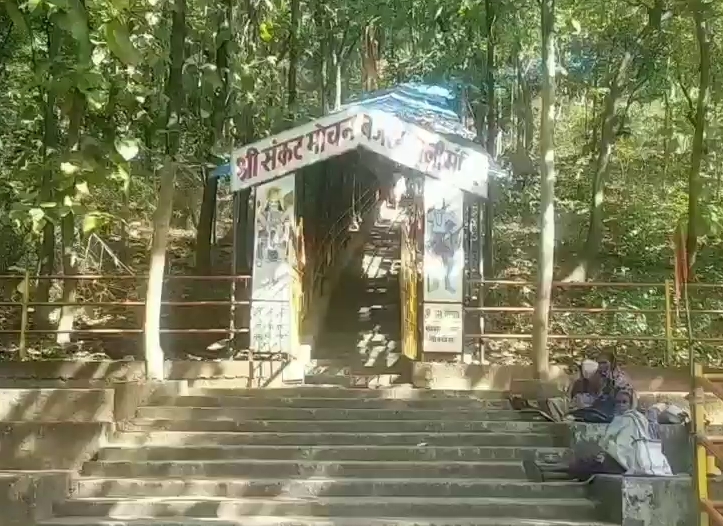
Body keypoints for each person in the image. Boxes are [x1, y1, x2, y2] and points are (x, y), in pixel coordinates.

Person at [523, 389, 672, 482]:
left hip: (626, 463)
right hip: (616, 459)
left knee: (588, 464)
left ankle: (545, 470)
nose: (621, 405)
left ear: (631, 403)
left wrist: (606, 453)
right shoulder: (624, 418)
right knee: (587, 466)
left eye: (624, 402)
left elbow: (625, 444)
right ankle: (546, 473)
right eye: (618, 402)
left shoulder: (632, 419)